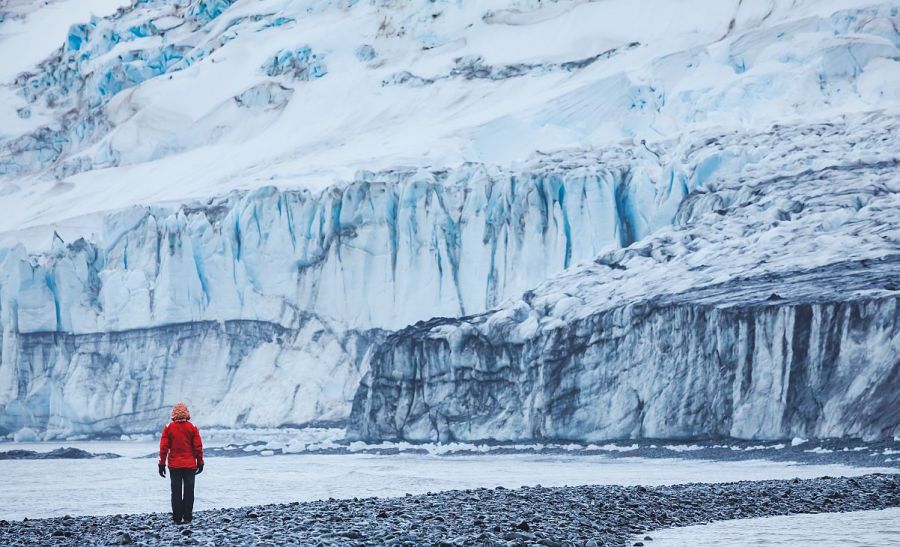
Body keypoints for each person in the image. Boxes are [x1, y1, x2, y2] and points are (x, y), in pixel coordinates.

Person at [158, 402, 204, 524]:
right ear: (187, 413)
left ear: (173, 413)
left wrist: (161, 464)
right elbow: (198, 447)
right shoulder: (192, 427)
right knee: (189, 491)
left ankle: (177, 518)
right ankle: (187, 517)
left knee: (176, 491)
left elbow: (163, 448)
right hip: (190, 465)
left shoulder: (168, 428)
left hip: (174, 465)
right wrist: (200, 462)